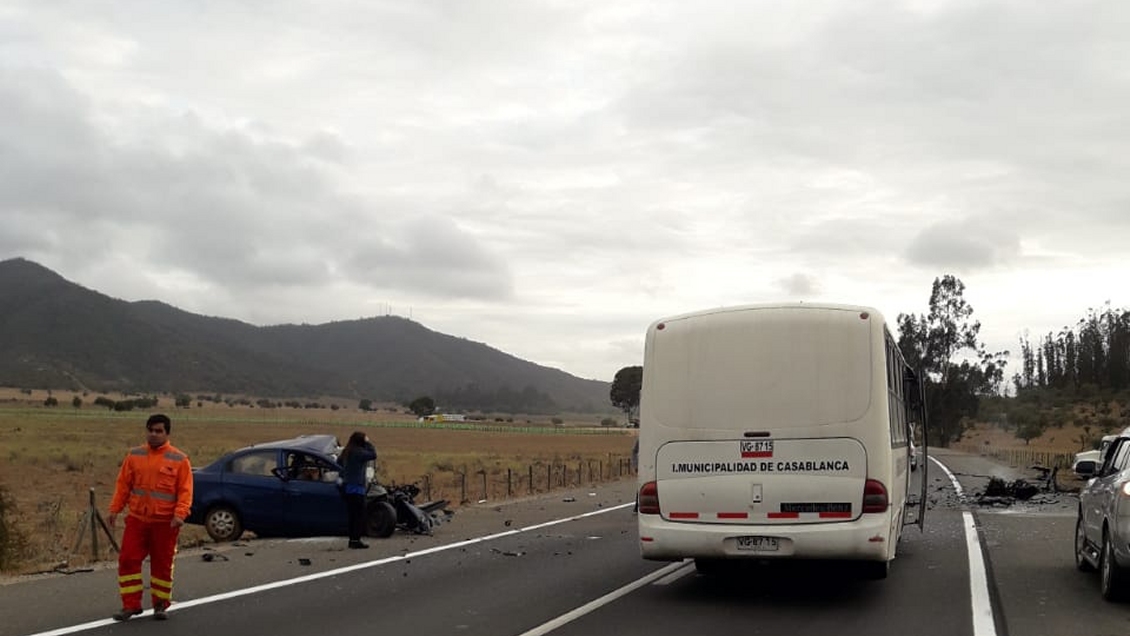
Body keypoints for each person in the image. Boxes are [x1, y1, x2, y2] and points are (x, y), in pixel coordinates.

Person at [107, 413, 193, 621]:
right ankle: (131, 605)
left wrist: (180, 514)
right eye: (150, 430)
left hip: (165, 523)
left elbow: (185, 491)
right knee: (128, 560)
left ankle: (160, 604)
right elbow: (123, 485)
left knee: (162, 564)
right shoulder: (134, 455)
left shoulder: (180, 459)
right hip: (137, 520)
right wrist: (114, 509)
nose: (153, 435)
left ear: (167, 433)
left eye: (158, 431)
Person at [337, 431, 377, 549]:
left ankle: (352, 539)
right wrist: (368, 443)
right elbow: (373, 454)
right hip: (357, 488)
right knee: (359, 515)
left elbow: (338, 463)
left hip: (346, 487)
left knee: (352, 515)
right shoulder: (358, 452)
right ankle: (355, 540)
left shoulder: (347, 452)